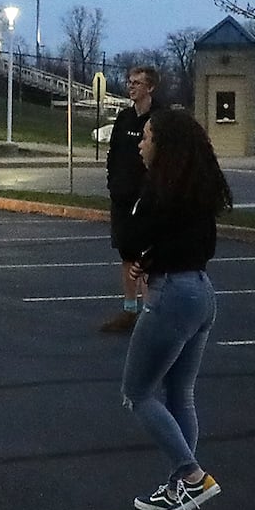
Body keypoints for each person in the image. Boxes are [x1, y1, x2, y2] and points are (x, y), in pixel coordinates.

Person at [118, 109, 232, 510]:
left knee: (137, 392)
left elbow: (129, 236)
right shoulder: (197, 191)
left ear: (164, 146)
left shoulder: (158, 191)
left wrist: (146, 255)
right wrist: (150, 259)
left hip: (171, 296)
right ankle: (178, 489)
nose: (140, 143)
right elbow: (186, 243)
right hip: (200, 291)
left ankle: (190, 475)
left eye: (146, 137)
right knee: (179, 393)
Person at [101, 66, 158, 333]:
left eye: (137, 83)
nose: (131, 86)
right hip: (122, 198)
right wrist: (113, 184)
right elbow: (113, 156)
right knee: (126, 253)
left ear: (151, 88)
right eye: (130, 82)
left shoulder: (160, 119)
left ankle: (150, 311)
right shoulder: (123, 119)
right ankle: (129, 310)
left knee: (146, 256)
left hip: (147, 199)